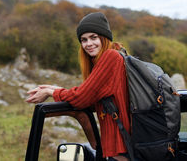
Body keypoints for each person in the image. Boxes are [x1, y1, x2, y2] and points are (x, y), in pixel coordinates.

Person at [26, 12, 130, 161]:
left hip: (122, 148)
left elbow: (81, 98)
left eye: (94, 37)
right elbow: (92, 101)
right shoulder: (116, 57)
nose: (88, 44)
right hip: (119, 148)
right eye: (84, 39)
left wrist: (51, 91)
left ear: (104, 37)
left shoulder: (111, 57)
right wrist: (55, 89)